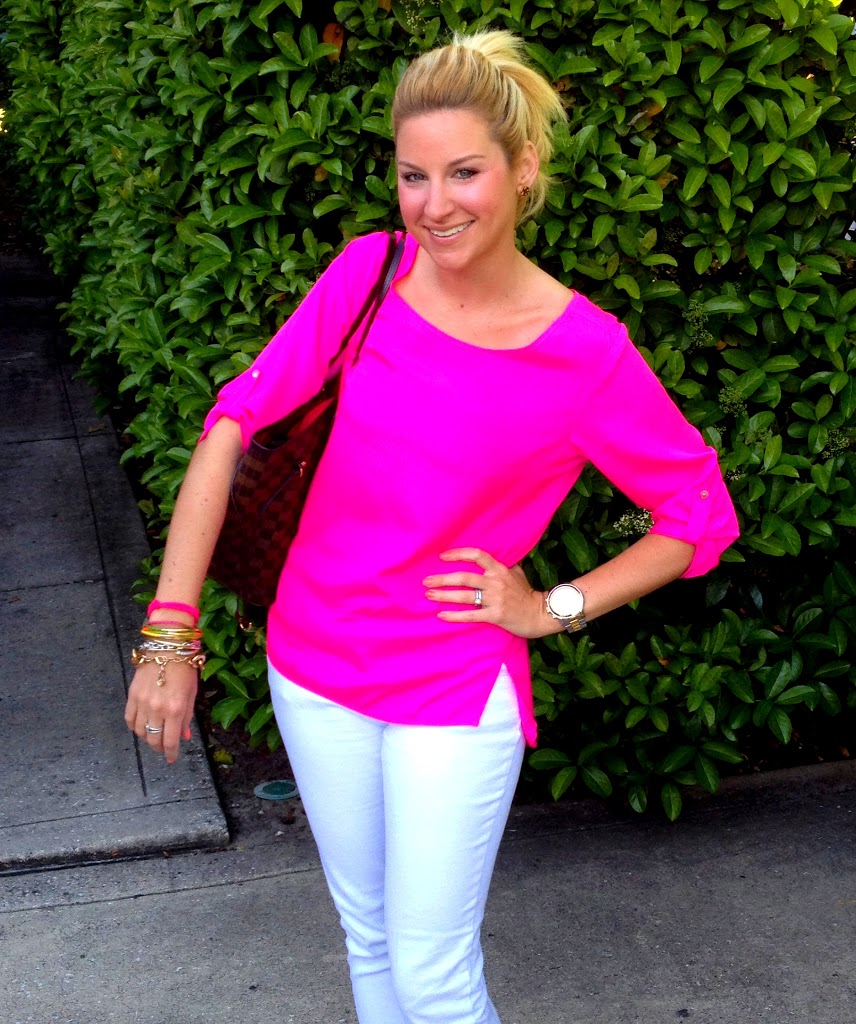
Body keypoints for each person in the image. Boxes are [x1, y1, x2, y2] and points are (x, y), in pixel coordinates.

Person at [125, 29, 739, 1024]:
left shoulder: (583, 353)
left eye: (464, 172)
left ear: (523, 167)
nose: (435, 204)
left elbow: (696, 513)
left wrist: (552, 606)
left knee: (434, 977)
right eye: (414, 176)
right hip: (310, 662)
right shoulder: (368, 276)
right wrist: (169, 633)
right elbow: (232, 426)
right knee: (367, 936)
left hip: (450, 686)